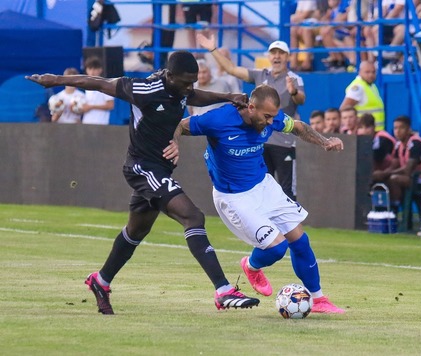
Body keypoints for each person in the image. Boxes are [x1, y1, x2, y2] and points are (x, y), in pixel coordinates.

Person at [26, 50, 260, 315]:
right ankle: (223, 290)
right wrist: (56, 79)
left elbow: (192, 95)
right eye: (185, 82)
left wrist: (226, 97)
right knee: (193, 217)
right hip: (142, 168)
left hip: (159, 169)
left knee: (136, 232)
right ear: (170, 76)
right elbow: (99, 83)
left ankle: (100, 281)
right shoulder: (143, 89)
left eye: (192, 81)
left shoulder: (181, 88)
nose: (189, 87)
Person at [171, 84, 345, 314]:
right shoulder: (219, 119)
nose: (272, 123)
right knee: (276, 249)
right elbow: (182, 125)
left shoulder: (272, 117)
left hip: (264, 186)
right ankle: (251, 266)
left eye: (274, 117)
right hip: (234, 197)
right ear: (251, 108)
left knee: (301, 241)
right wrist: (174, 144)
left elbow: (298, 127)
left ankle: (318, 299)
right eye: (266, 117)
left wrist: (324, 142)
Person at [197, 33, 305, 201]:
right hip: (260, 141)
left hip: (284, 142)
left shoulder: (294, 79)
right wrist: (213, 49)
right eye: (274, 53)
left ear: (287, 57)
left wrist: (294, 92)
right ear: (269, 56)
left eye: (281, 53)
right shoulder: (261, 75)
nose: (277, 56)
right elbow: (232, 69)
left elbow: (301, 100)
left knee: (286, 190)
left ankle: (289, 226)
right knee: (260, 189)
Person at [374, 115, 421, 208]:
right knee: (382, 179)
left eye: (401, 128)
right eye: (395, 128)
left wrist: (385, 174)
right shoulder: (398, 145)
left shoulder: (416, 144)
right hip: (411, 178)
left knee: (393, 179)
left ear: (409, 129)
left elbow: (408, 169)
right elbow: (394, 165)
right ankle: (384, 210)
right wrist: (383, 173)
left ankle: (395, 210)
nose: (397, 131)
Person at [339, 61, 385, 131]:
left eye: (373, 72)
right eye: (367, 72)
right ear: (360, 72)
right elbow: (344, 108)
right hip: (364, 131)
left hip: (374, 130)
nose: (371, 75)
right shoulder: (358, 87)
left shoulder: (372, 85)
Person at [81, 56, 115, 125]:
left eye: (95, 69)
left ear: (100, 70)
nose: (92, 72)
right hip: (86, 123)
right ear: (87, 70)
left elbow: (110, 105)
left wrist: (91, 107)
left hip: (100, 123)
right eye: (90, 69)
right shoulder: (85, 86)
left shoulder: (106, 85)